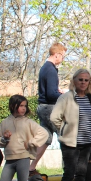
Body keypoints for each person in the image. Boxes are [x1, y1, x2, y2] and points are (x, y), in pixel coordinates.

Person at [50, 68, 91, 181]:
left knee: (82, 172)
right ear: (74, 81)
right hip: (70, 143)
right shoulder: (66, 98)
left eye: (86, 80)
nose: (83, 82)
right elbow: (54, 118)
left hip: (86, 141)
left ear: (89, 82)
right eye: (80, 79)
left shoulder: (90, 98)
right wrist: (64, 130)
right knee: (69, 172)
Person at [33, 42, 66, 172]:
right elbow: (52, 94)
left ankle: (30, 167)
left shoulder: (44, 68)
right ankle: (68, 169)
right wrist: (64, 96)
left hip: (42, 107)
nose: (63, 59)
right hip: (50, 108)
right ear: (57, 55)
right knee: (64, 136)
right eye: (62, 56)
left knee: (45, 139)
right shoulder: (51, 70)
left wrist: (57, 91)